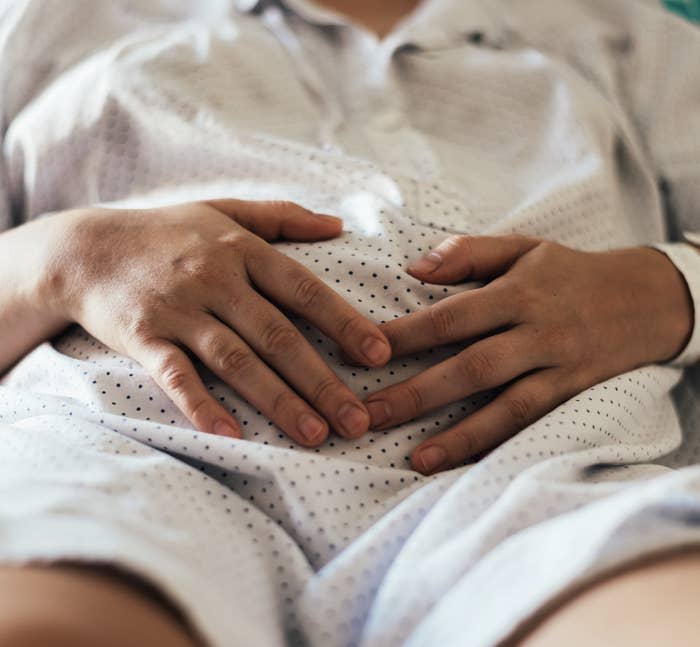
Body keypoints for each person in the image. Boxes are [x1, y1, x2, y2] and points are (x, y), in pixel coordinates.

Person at [0, 0, 699, 645]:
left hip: (561, 475)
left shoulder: (624, 33)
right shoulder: (48, 20)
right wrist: (61, 257)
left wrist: (670, 287)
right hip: (123, 451)